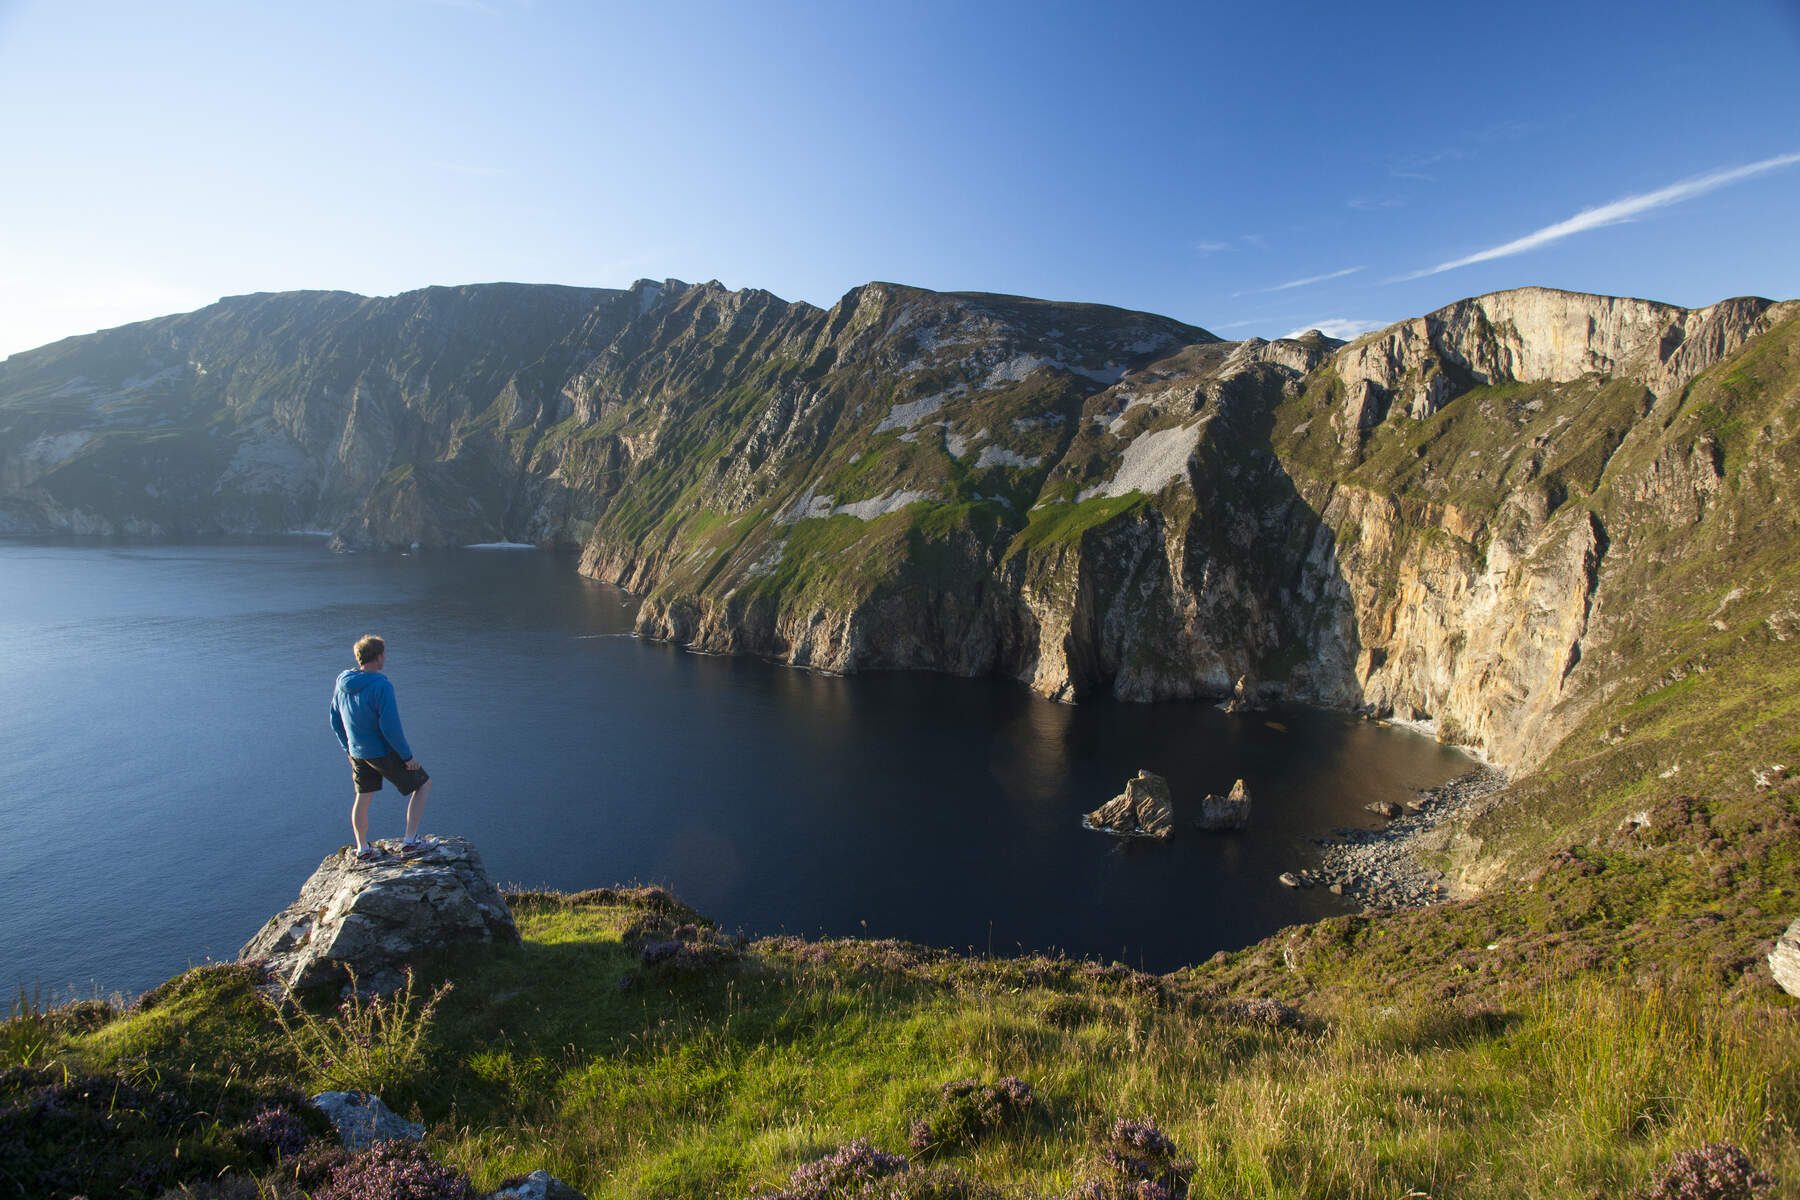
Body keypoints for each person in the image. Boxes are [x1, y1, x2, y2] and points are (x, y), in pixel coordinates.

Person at [329, 634, 433, 862]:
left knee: (362, 797)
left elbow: (335, 719)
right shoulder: (381, 685)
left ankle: (362, 849)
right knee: (424, 785)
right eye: (384, 654)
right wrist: (407, 757)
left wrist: (348, 748)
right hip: (380, 751)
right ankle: (410, 841)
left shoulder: (342, 682)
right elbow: (390, 727)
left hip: (357, 752)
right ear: (378, 657)